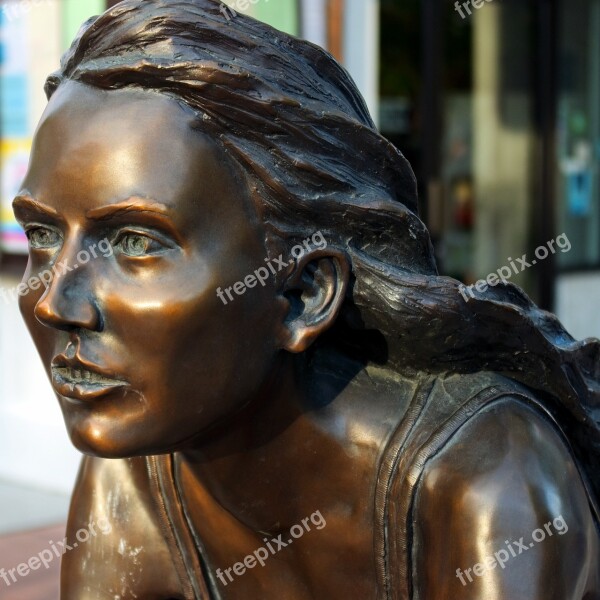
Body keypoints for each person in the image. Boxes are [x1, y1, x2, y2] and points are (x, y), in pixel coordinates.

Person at [13, 0, 600, 598]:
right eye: (41, 234)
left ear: (304, 293)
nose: (56, 303)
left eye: (135, 241)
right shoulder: (136, 468)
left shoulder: (485, 484)